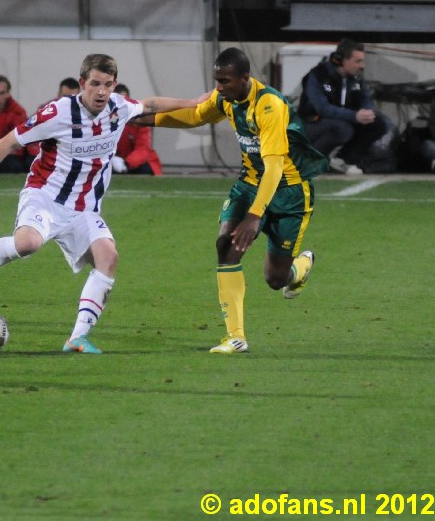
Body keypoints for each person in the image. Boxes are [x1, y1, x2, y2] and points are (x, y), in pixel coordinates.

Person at [0, 54, 158, 354]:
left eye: (108, 85)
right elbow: (8, 142)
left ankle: (77, 338)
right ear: (82, 83)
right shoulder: (57, 112)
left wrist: (200, 104)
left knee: (108, 256)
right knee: (27, 244)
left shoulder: (118, 107)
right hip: (45, 196)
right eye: (95, 84)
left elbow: (151, 106)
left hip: (83, 209)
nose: (101, 91)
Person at [140, 47, 327, 354]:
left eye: (225, 81)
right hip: (249, 184)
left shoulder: (269, 106)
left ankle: (300, 268)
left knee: (275, 279)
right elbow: (195, 116)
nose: (219, 88)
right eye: (216, 80)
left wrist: (254, 217)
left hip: (288, 192)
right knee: (225, 245)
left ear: (244, 78)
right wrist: (149, 121)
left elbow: (275, 167)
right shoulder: (226, 98)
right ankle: (235, 337)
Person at [297, 38, 391, 175]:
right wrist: (354, 116)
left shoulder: (357, 77)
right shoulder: (319, 75)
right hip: (312, 123)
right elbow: (322, 109)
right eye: (357, 61)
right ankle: (309, 159)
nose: (362, 66)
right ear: (342, 60)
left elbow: (365, 98)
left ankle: (343, 159)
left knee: (379, 123)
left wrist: (368, 112)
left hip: (344, 121)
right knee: (342, 128)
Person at [111, 84, 162, 175]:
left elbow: (142, 149)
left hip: (137, 163)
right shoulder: (104, 120)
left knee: (144, 170)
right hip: (113, 163)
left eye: (123, 101)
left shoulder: (139, 119)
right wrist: (111, 160)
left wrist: (126, 163)